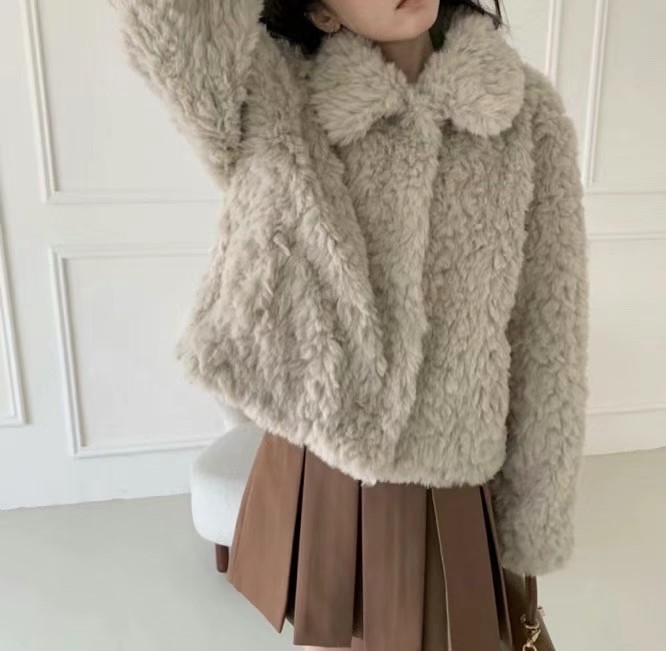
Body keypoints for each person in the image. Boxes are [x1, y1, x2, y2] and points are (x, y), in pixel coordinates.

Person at [111, 1, 590, 649]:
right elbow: (172, 22)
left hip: (450, 476)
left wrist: (535, 511)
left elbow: (551, 327)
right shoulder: (272, 95)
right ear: (322, 11)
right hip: (318, 468)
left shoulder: (525, 114)